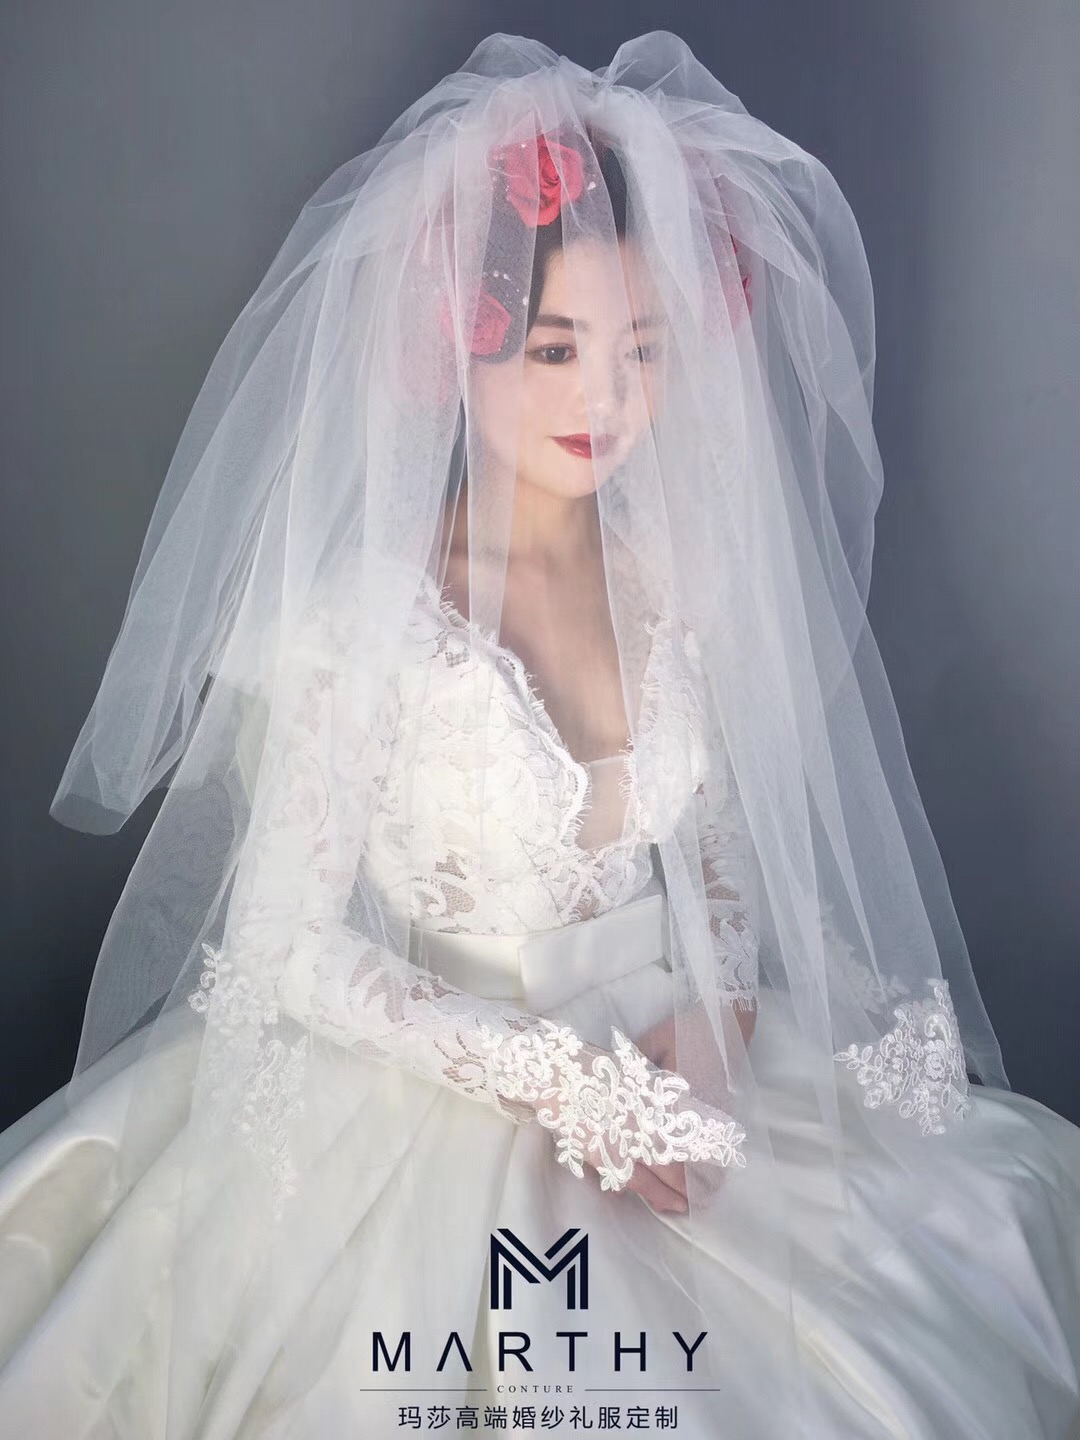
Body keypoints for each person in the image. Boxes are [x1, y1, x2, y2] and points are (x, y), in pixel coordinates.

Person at [1, 29, 1078, 1440]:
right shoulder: (370, 615)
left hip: (675, 1052)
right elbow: (284, 948)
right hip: (440, 1088)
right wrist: (568, 1087)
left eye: (642, 350)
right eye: (557, 347)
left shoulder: (675, 574)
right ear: (462, 342)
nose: (604, 400)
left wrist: (717, 1022)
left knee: (949, 1278)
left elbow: (715, 843)